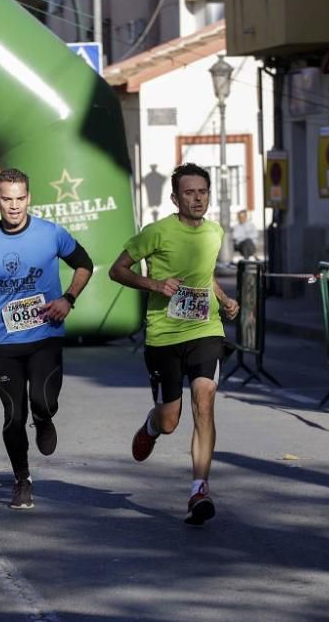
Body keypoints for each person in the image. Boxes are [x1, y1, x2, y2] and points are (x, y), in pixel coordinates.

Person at [109, 163, 239, 526]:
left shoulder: (215, 232)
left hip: (205, 329)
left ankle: (199, 488)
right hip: (164, 334)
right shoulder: (157, 233)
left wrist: (224, 299)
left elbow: (206, 273)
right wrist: (155, 285)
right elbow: (117, 270)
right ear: (175, 198)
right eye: (189, 193)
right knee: (169, 420)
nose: (197, 199)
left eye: (202, 192)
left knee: (205, 399)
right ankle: (151, 427)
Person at [0, 168, 93, 510]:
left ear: (29, 198)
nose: (14, 206)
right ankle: (22, 480)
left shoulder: (50, 234)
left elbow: (85, 264)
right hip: (5, 341)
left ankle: (45, 419)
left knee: (42, 402)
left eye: (20, 199)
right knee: (13, 415)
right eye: (7, 199)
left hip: (46, 333)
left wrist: (68, 299)